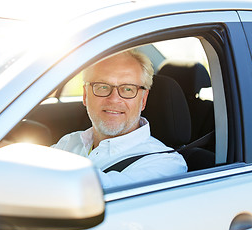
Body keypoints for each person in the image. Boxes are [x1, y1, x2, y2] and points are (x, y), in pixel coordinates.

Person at [52, 50, 187, 188]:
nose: (114, 99)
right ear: (85, 95)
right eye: (103, 87)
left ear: (143, 100)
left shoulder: (167, 164)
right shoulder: (68, 142)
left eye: (128, 89)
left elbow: (96, 192)